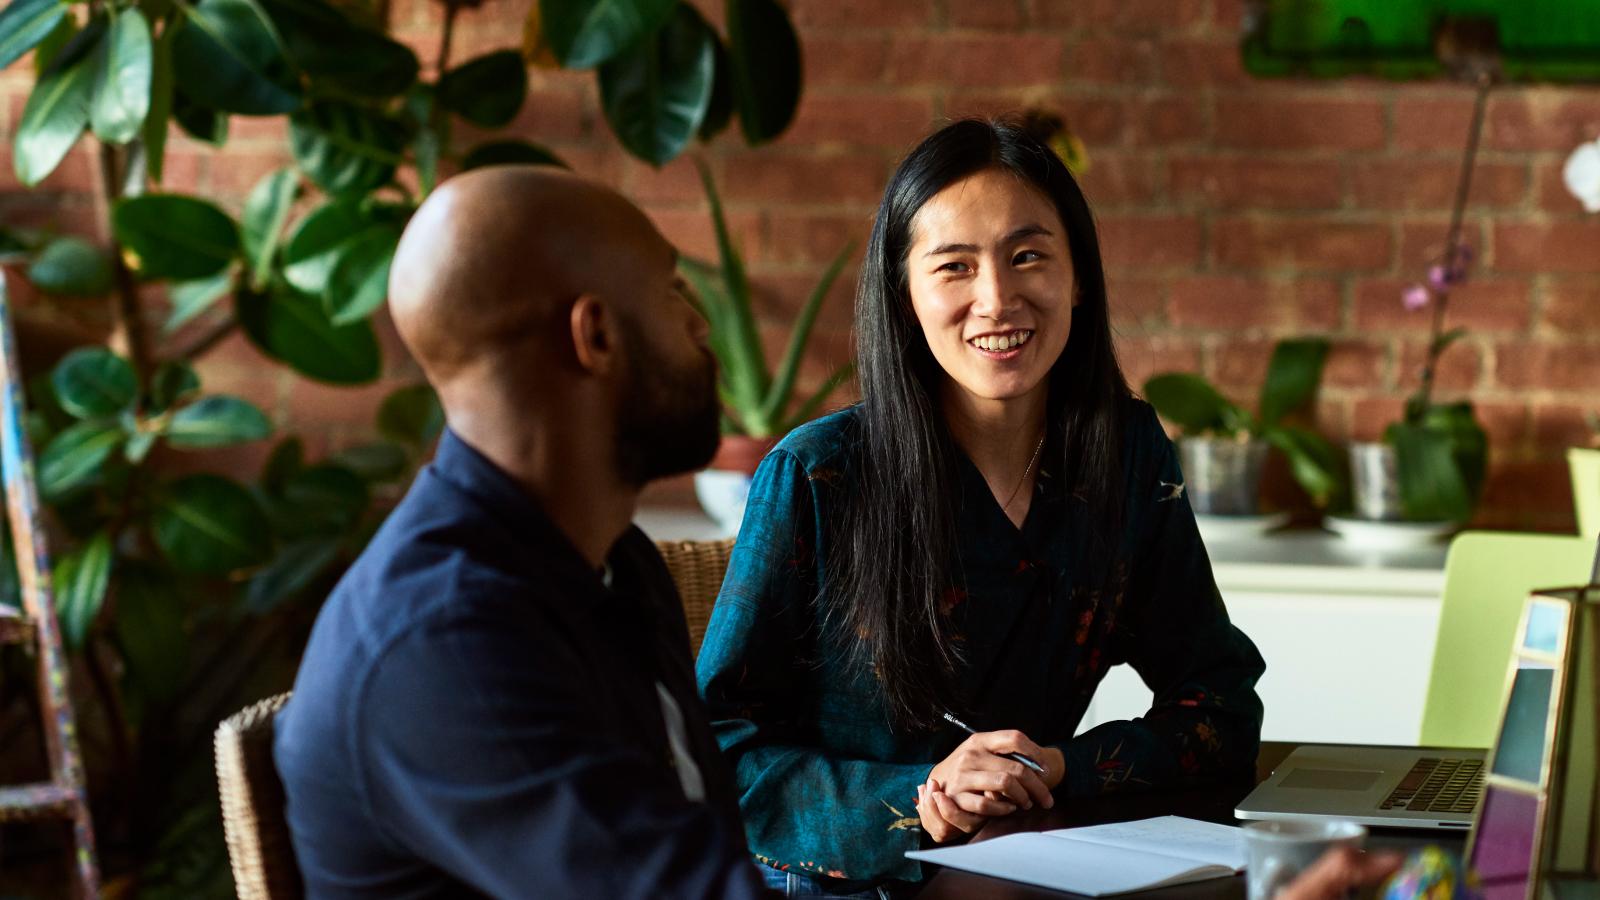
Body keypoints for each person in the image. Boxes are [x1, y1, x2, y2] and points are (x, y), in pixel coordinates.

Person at [695, 118, 1269, 896]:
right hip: (843, 883)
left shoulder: (1121, 451)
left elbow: (1220, 705)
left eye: (1027, 256)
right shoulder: (818, 474)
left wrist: (1059, 767)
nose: (997, 300)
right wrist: (924, 795)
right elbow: (716, 754)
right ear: (904, 295)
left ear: (1079, 278)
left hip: (1033, 875)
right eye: (954, 267)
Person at [273, 166, 770, 898]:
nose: (699, 326)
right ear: (595, 335)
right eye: (672, 293)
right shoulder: (443, 643)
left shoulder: (613, 560)